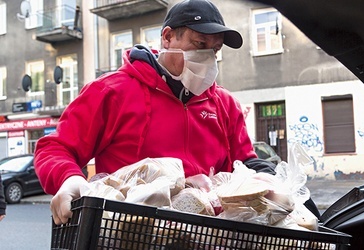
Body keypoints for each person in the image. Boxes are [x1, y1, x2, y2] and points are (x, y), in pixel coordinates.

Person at [35, 0, 317, 225]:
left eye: (215, 50)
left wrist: (286, 190)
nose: (208, 58)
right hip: (129, 234)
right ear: (167, 37)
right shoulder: (111, 92)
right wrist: (69, 180)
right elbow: (54, 148)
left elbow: (244, 163)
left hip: (210, 238)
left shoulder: (224, 104)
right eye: (199, 45)